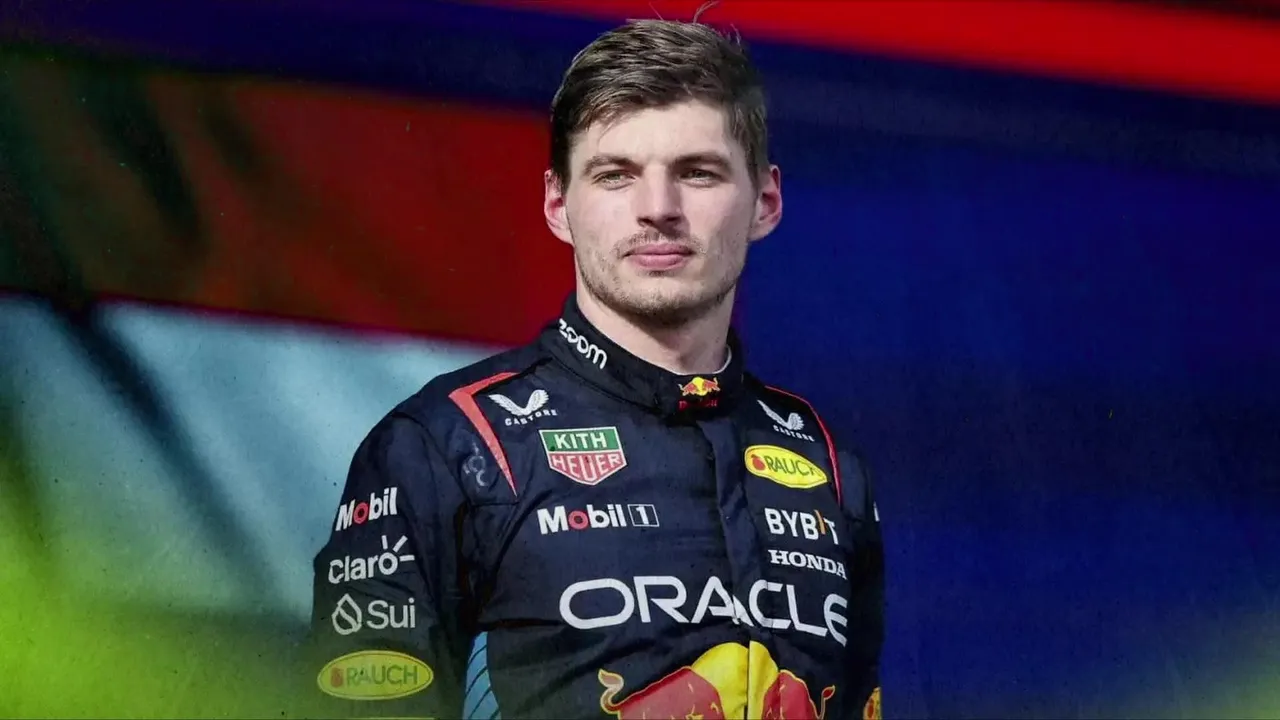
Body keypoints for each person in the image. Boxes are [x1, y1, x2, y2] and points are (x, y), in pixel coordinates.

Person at [305, 17, 884, 720]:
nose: (659, 210)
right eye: (616, 175)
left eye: (697, 173)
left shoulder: (827, 464)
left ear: (765, 201)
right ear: (558, 204)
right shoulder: (446, 446)